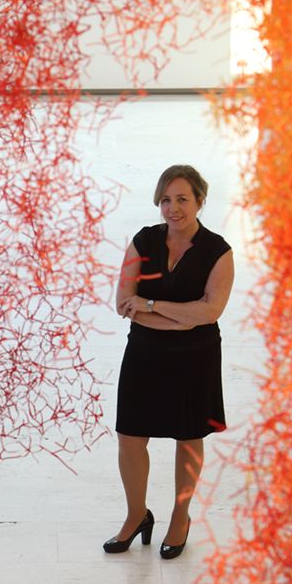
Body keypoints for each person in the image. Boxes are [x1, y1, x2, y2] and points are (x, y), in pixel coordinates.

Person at [103, 164, 234, 560]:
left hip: (195, 357)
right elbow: (123, 303)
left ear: (200, 201)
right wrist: (179, 316)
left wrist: (150, 305)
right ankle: (137, 515)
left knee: (189, 438)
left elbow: (210, 312)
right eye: (165, 200)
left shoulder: (219, 252)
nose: (172, 208)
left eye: (182, 199)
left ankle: (180, 517)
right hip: (145, 352)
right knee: (130, 436)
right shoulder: (142, 242)